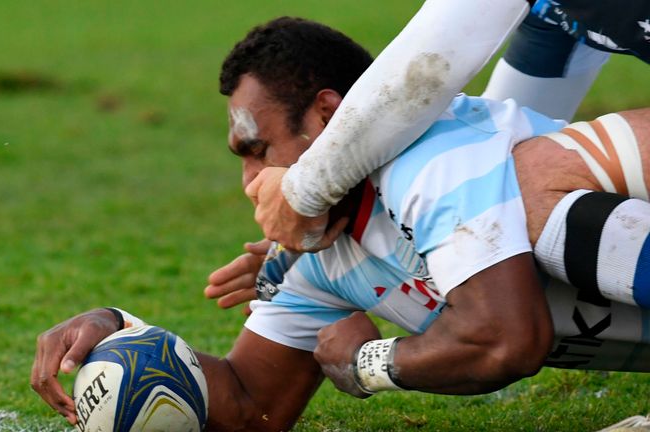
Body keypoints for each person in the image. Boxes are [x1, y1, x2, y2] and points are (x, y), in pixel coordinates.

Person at [32, 18, 650, 431]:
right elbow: (250, 406)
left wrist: (369, 361)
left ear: (329, 116)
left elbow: (506, 339)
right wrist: (118, 336)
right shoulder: (320, 260)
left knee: (540, 203)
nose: (250, 182)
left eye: (258, 149)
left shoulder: (431, 162)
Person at [243, 0, 650, 254]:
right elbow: (496, 159)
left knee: (540, 175)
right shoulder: (550, 13)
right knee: (516, 188)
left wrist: (302, 193)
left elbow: (426, 67)